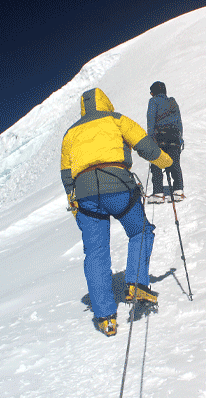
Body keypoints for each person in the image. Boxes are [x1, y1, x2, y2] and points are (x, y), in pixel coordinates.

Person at [61, 88, 172, 336]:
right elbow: (144, 145)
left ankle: (105, 318)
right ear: (105, 102)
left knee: (96, 251)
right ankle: (136, 283)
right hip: (118, 185)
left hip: (86, 195)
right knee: (140, 231)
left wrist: (73, 202)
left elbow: (66, 174)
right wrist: (165, 161)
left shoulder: (70, 133)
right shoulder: (116, 119)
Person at [147, 81, 185, 204]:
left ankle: (158, 193)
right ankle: (178, 191)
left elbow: (151, 119)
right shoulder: (173, 101)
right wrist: (180, 138)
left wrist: (150, 139)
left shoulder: (153, 101)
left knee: (156, 163)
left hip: (159, 137)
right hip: (174, 136)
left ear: (154, 92)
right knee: (174, 163)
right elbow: (179, 121)